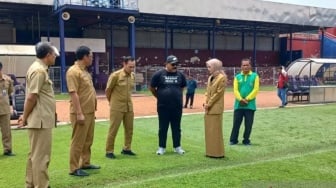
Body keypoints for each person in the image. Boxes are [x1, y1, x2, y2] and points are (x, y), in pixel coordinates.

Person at [18, 42, 58, 188]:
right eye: (54, 54)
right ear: (48, 55)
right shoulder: (39, 71)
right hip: (40, 120)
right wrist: (25, 115)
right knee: (41, 157)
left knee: (34, 155)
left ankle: (31, 184)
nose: (55, 57)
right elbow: (31, 97)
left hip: (40, 118)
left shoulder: (38, 69)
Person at [66, 46, 100, 177]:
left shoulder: (85, 71)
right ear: (84, 57)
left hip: (89, 111)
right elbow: (73, 93)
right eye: (90, 56)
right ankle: (74, 168)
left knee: (88, 140)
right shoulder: (73, 72)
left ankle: (85, 162)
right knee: (78, 141)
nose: (92, 58)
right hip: (81, 112)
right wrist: (79, 113)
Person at [149, 55, 187, 155]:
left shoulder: (180, 75)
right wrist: (160, 96)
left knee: (176, 127)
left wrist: (175, 96)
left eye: (176, 64)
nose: (175, 66)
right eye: (173, 64)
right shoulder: (158, 74)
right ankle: (161, 147)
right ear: (166, 64)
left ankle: (177, 147)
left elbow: (182, 88)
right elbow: (152, 88)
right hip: (163, 107)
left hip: (177, 106)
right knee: (163, 127)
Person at [105, 56, 136, 159]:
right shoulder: (115, 75)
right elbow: (108, 90)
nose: (132, 69)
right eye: (130, 66)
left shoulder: (132, 76)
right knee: (113, 129)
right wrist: (112, 102)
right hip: (117, 106)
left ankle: (127, 148)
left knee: (129, 129)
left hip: (129, 106)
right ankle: (109, 151)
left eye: (133, 67)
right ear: (124, 64)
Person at [229, 58, 259, 146]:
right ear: (241, 66)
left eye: (247, 65)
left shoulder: (255, 76)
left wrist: (247, 99)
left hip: (250, 105)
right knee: (236, 123)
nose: (245, 67)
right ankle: (233, 140)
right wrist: (240, 99)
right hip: (239, 105)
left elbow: (256, 90)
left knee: (248, 124)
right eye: (243, 65)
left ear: (250, 66)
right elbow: (235, 90)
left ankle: (246, 140)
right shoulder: (237, 77)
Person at [204, 59, 227, 158]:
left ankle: (218, 153)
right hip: (208, 107)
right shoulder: (210, 78)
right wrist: (205, 102)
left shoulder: (222, 78)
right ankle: (210, 152)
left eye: (209, 67)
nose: (208, 69)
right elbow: (207, 92)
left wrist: (209, 104)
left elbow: (218, 94)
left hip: (216, 108)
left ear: (215, 67)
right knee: (209, 131)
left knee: (216, 131)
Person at [0, 62, 14, 156]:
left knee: (6, 131)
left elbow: (9, 93)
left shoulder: (8, 80)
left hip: (4, 109)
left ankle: (7, 150)